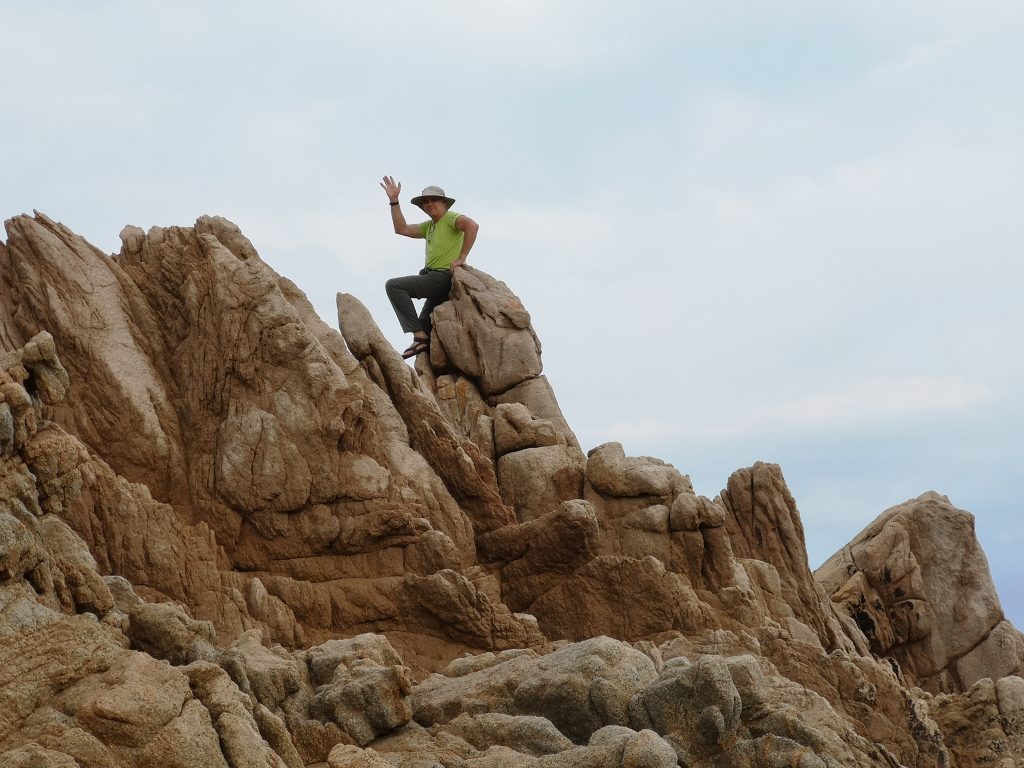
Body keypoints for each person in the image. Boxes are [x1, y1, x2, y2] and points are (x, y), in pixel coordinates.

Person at [381, 176, 479, 358]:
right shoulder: (429, 226)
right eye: (425, 201)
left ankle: (418, 337)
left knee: (394, 286)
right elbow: (401, 229)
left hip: (441, 277)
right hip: (435, 282)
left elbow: (472, 226)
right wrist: (394, 201)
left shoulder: (450, 217)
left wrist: (462, 257)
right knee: (424, 324)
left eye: (433, 200)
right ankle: (424, 346)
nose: (429, 204)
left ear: (444, 203)